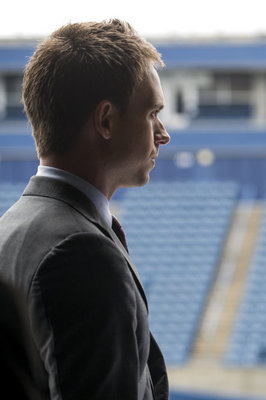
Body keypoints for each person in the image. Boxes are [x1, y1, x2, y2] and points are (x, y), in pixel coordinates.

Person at [0, 19, 170, 399]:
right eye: (151, 114)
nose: (163, 133)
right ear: (106, 120)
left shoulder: (10, 229)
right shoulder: (80, 253)